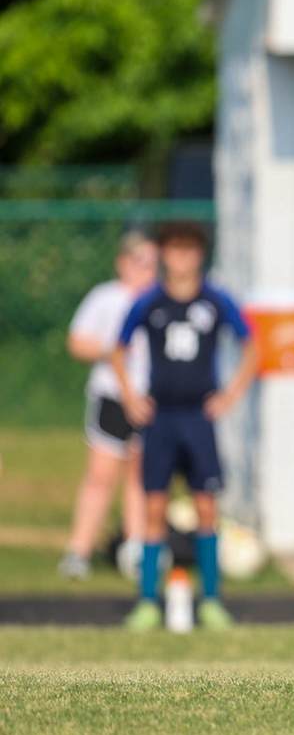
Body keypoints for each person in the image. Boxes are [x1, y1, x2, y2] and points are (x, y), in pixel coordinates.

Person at [114, 221, 257, 631]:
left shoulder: (215, 300)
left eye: (190, 250)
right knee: (154, 507)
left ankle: (211, 599)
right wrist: (130, 396)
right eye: (174, 250)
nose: (182, 258)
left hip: (199, 416)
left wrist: (230, 395)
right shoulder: (149, 302)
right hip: (161, 416)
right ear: (163, 254)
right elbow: (118, 350)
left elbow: (250, 345)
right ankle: (146, 601)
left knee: (206, 507)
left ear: (200, 254)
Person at [59, 231, 157, 580]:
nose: (147, 269)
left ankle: (134, 551)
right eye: (139, 261)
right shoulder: (106, 298)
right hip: (112, 397)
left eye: (152, 262)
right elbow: (77, 342)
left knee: (141, 477)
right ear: (123, 263)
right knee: (100, 476)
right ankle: (78, 551)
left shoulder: (160, 301)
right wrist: (112, 351)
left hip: (148, 400)